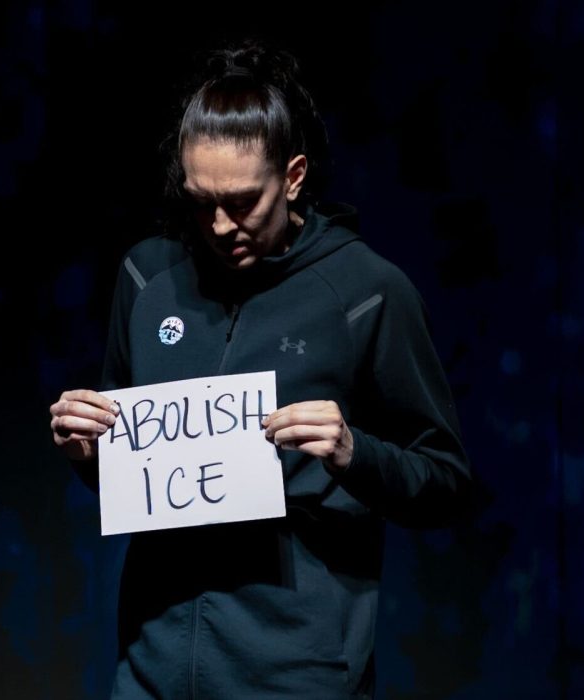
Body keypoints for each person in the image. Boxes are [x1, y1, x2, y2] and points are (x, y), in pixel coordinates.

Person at [49, 37, 472, 699]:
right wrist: (89, 450)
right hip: (150, 670)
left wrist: (355, 453)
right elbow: (137, 472)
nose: (220, 225)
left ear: (294, 176)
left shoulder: (366, 292)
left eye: (243, 201)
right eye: (200, 201)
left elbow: (446, 482)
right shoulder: (148, 277)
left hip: (297, 676)